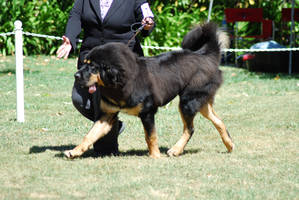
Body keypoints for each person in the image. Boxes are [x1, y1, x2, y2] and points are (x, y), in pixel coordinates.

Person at [57, 0, 155, 155]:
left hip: (120, 62)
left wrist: (148, 23)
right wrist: (70, 38)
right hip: (91, 58)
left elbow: (147, 15)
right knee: (78, 98)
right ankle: (114, 126)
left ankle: (106, 150)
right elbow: (75, 16)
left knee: (101, 101)